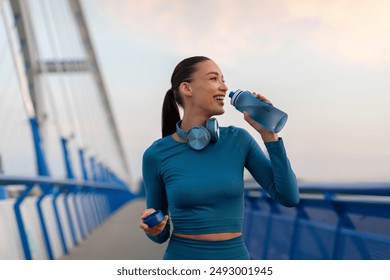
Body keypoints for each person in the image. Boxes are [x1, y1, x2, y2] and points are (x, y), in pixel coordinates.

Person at [139, 56, 300, 260]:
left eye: (223, 80)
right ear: (187, 88)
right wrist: (153, 228)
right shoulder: (156, 155)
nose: (224, 87)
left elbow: (289, 197)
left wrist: (270, 136)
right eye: (214, 79)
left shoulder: (239, 140)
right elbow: (160, 234)